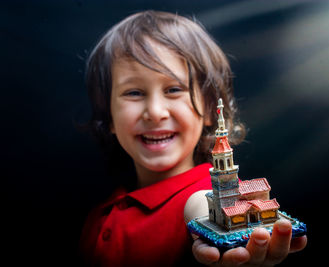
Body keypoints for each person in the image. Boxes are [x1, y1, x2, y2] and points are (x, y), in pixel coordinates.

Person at [80, 10, 307, 266]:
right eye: (133, 92)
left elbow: (205, 202)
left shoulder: (202, 194)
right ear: (108, 116)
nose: (155, 112)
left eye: (174, 89)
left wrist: (216, 230)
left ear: (210, 109)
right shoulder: (98, 215)